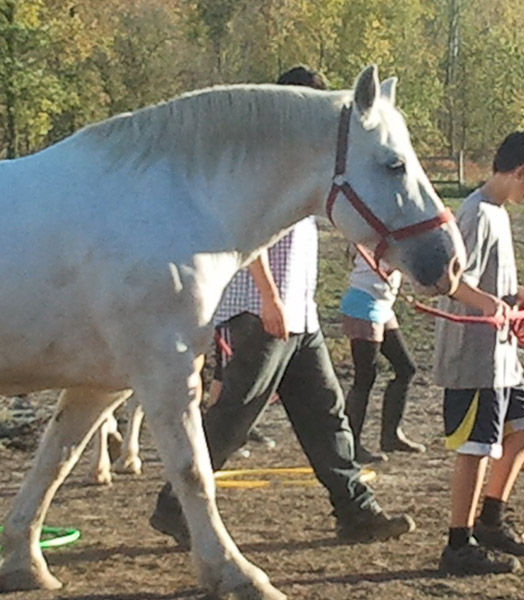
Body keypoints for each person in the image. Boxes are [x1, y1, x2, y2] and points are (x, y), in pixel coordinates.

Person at [149, 65, 414, 548]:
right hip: (261, 311)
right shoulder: (260, 166)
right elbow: (246, 235)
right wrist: (269, 299)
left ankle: (356, 510)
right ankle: (175, 506)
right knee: (232, 418)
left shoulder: (304, 163)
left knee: (326, 413)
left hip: (299, 313)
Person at [433, 130, 524, 575]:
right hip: (473, 356)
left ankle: (490, 520)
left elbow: (491, 282)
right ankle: (458, 544)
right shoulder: (477, 214)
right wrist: (491, 305)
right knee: (477, 447)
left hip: (502, 357)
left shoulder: (497, 213)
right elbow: (450, 280)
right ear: (520, 172)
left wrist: (523, 297)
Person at [340, 249, 425, 463]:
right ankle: (351, 445)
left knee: (405, 368)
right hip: (364, 303)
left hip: (382, 305)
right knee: (365, 377)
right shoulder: (376, 239)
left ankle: (391, 436)